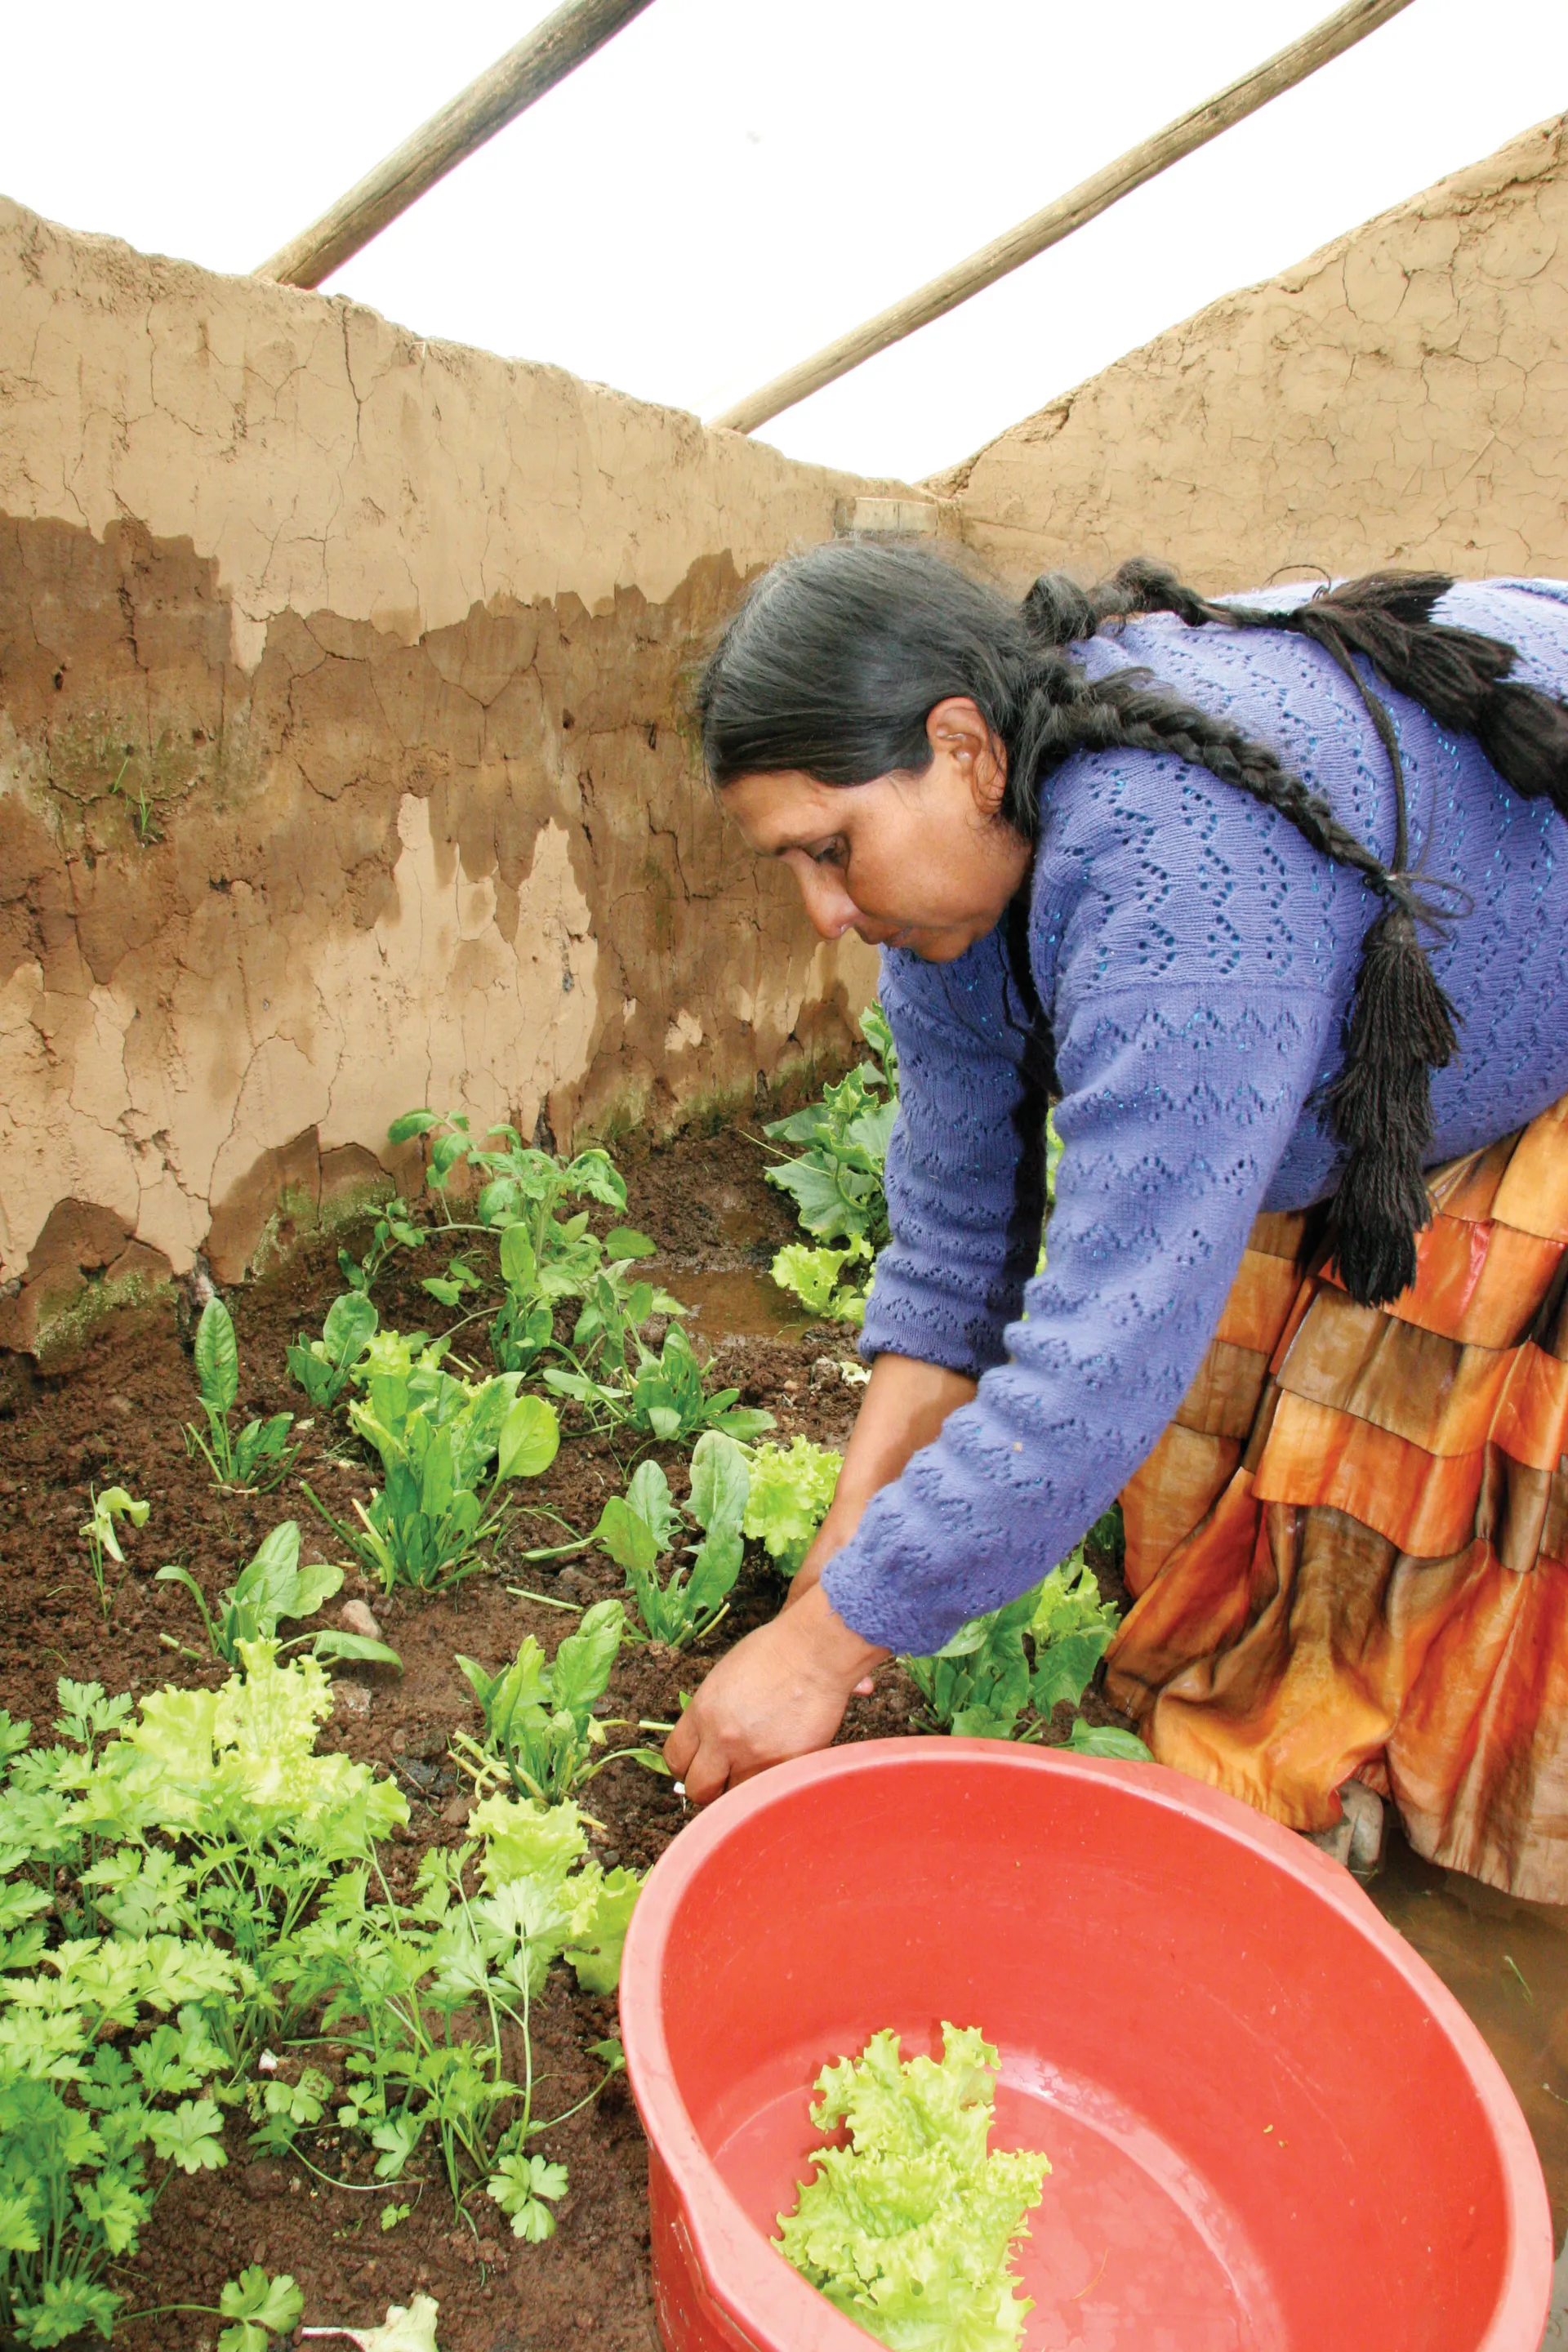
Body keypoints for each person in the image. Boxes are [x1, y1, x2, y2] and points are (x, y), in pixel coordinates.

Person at [662, 541, 1568, 1900]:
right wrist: (835, 1582)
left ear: (963, 746)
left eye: (833, 851)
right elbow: (959, 1258)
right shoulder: (969, 887)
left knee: (1475, 1475)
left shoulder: (1184, 874)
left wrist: (822, 1658)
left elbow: (1099, 1364)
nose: (826, 913)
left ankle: (1467, 1822)